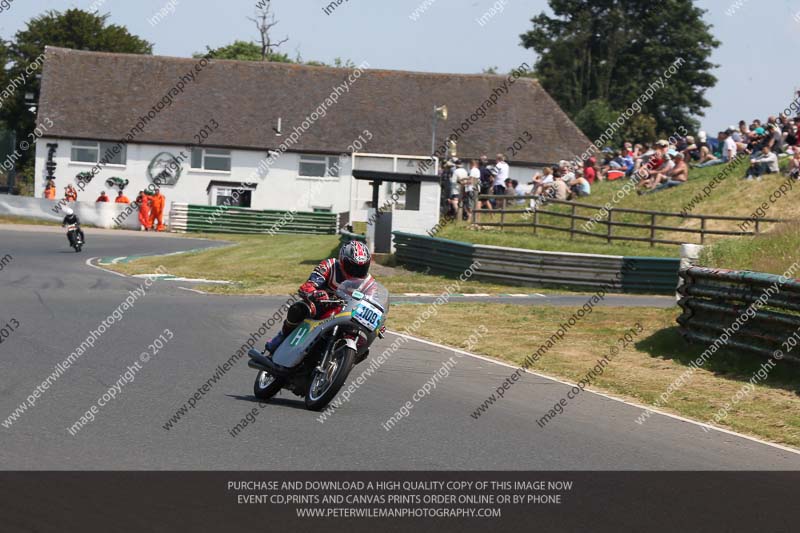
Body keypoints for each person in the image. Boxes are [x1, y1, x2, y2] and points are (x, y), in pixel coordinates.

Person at [264, 240, 375, 355]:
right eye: (352, 267)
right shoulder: (329, 266)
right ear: (342, 261)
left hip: (348, 315)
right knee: (300, 308)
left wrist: (378, 320)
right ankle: (283, 336)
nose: (356, 272)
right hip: (322, 307)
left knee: (363, 344)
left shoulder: (368, 282)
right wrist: (315, 293)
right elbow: (308, 285)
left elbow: (373, 302)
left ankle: (341, 358)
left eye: (361, 268)